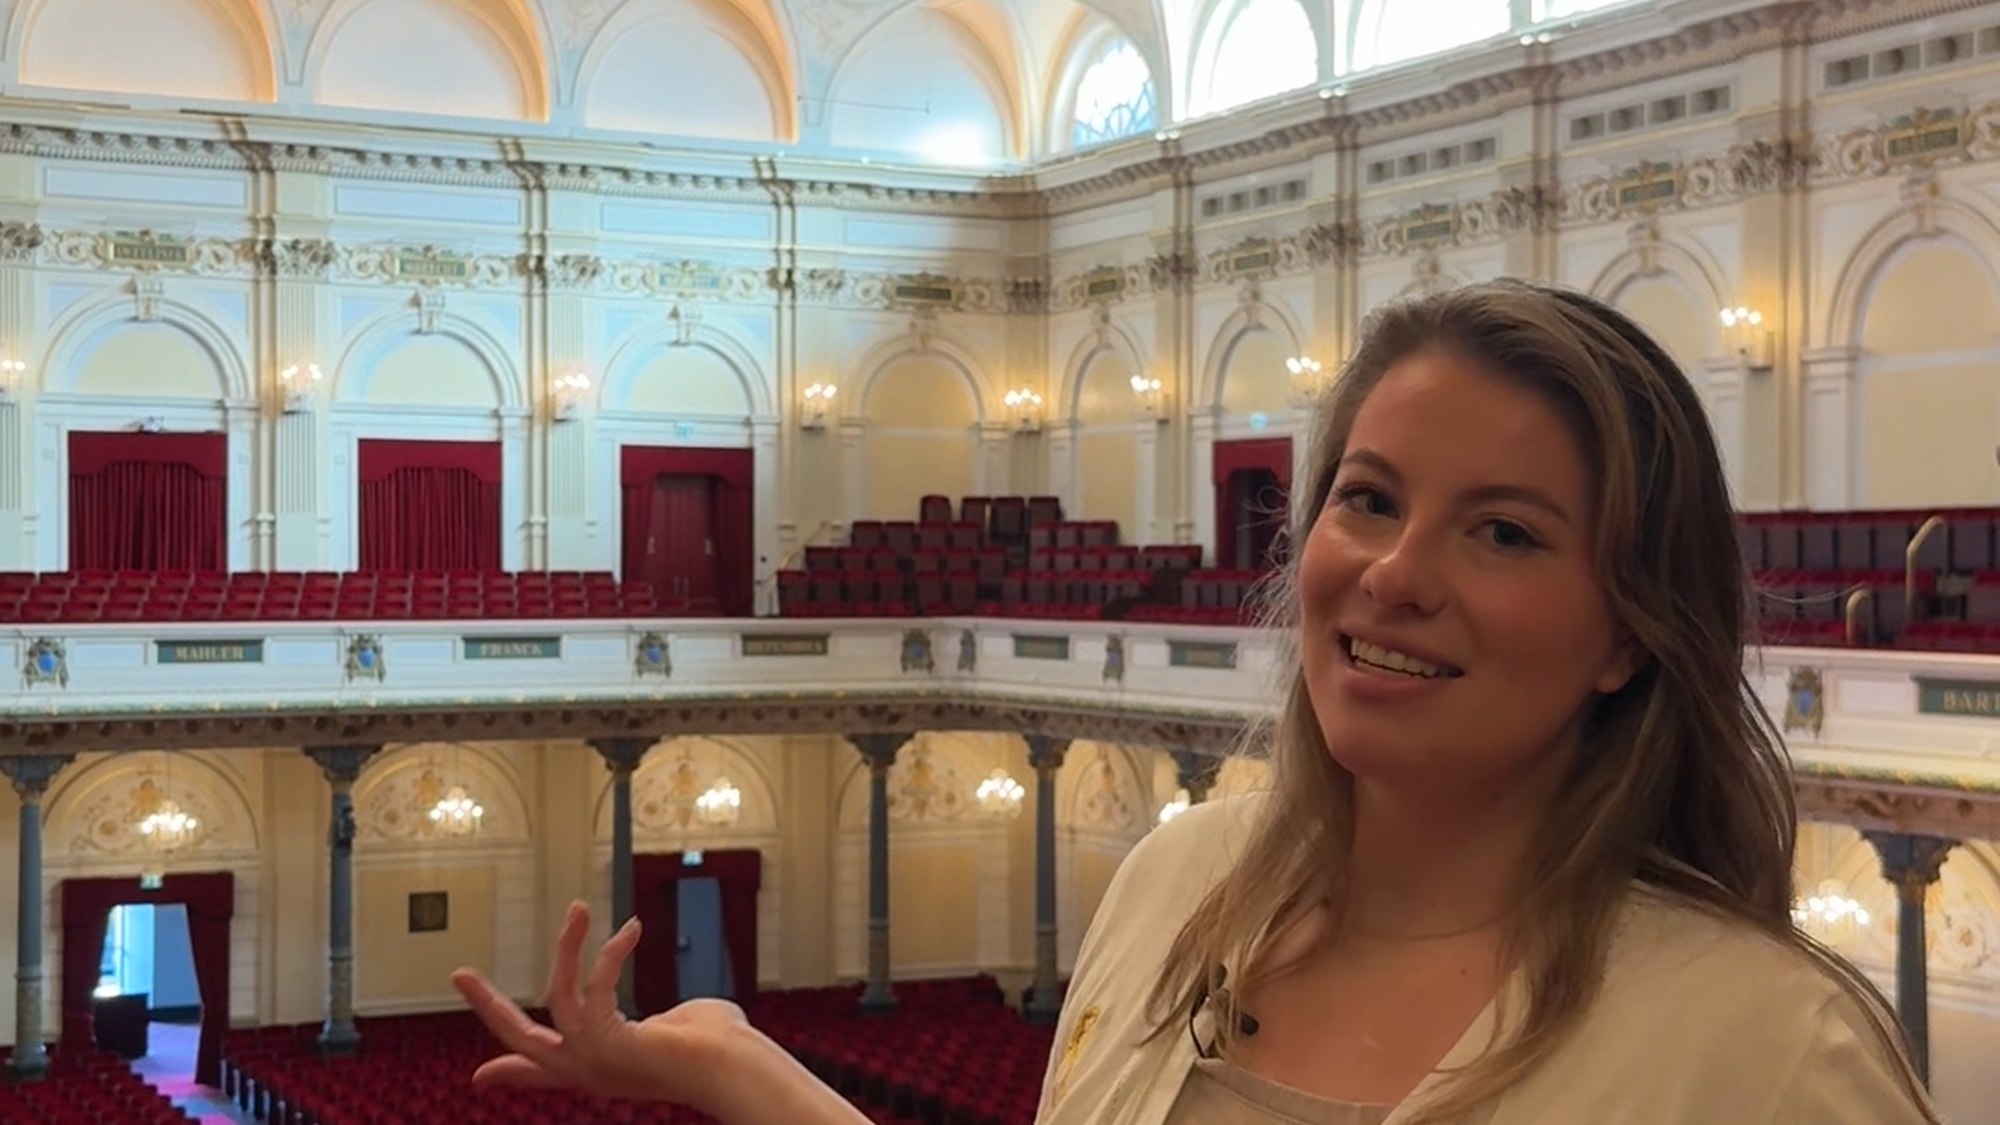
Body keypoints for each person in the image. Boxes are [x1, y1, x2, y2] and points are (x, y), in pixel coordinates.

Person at [449, 280, 1940, 1125]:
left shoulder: (1770, 1054)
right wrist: (741, 1072)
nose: (1394, 575)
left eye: (1506, 532)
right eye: (1368, 499)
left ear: (1630, 630)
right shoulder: (1178, 884)